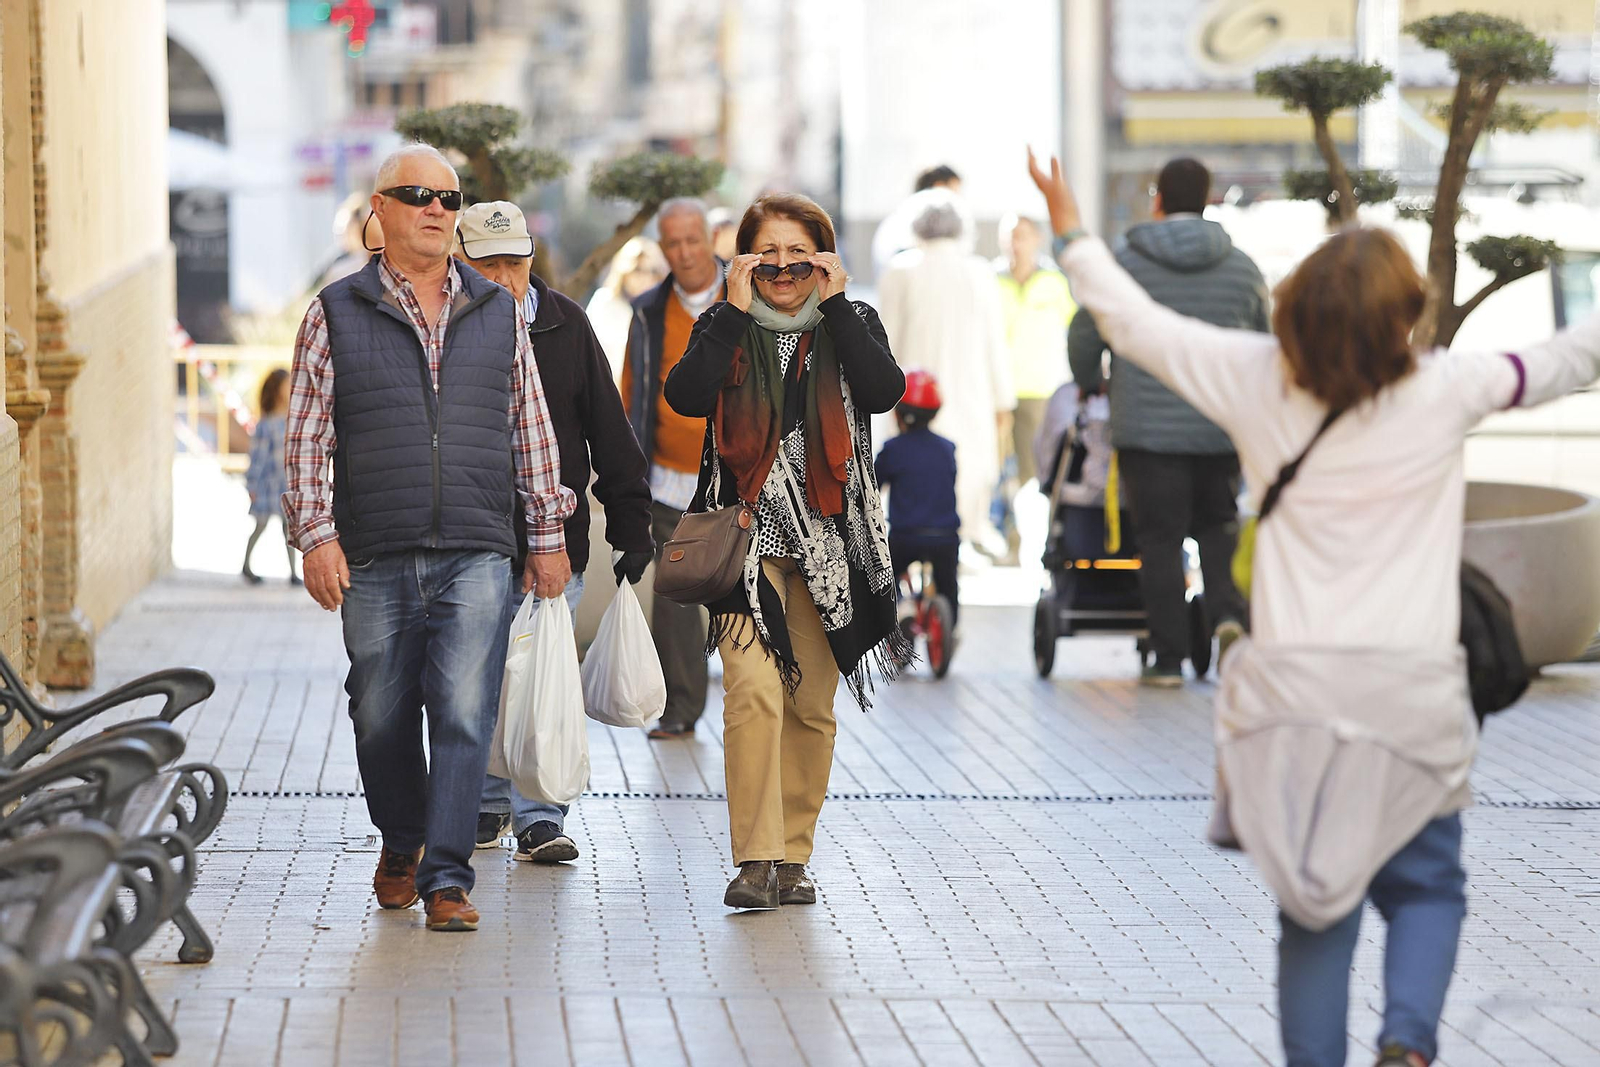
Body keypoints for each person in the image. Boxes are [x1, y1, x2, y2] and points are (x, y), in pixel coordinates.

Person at [1031, 147, 1600, 1067]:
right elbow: (1568, 359)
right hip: (1412, 697)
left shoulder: (1258, 377)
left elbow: (1133, 326)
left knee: (1314, 907)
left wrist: (1069, 225)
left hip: (1291, 704)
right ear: (1402, 315)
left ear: (1296, 308)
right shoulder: (1449, 386)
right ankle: (1407, 1045)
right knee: (1427, 886)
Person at [284, 144, 576, 933]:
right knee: (379, 710)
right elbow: (307, 438)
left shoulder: (496, 308)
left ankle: (447, 876)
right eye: (417, 195)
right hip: (374, 549)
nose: (438, 210)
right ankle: (403, 838)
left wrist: (547, 533)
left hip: (479, 546)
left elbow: (532, 429)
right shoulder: (333, 312)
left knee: (462, 710)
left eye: (449, 197)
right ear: (379, 211)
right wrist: (315, 535)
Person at [663, 193, 907, 910]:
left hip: (831, 544)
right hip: (745, 544)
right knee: (753, 694)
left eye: (798, 252)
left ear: (823, 258)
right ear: (742, 259)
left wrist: (834, 304)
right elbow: (685, 395)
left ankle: (794, 855)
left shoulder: (852, 320)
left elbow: (882, 389)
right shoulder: (724, 323)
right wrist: (732, 310)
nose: (782, 266)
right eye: (766, 252)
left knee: (809, 707)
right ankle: (755, 858)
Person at [453, 201, 655, 865]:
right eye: (490, 265)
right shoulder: (445, 328)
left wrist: (630, 520)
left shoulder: (566, 324)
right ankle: (484, 804)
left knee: (542, 679)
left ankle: (541, 816)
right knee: (476, 684)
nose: (507, 278)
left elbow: (608, 425)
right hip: (469, 543)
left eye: (516, 263)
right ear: (462, 264)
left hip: (551, 547)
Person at [1067, 157, 1265, 687]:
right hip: (1220, 428)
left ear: (1157, 199)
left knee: (1159, 542)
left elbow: (1086, 332)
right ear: (1210, 198)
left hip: (1148, 433)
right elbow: (1264, 345)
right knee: (1219, 532)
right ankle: (1227, 621)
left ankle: (1169, 659)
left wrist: (1092, 380)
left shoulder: (1126, 263)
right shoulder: (1243, 268)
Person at [619, 198, 726, 740]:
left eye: (692, 240)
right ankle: (682, 707)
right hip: (666, 479)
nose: (684, 253)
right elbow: (632, 393)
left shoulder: (746, 298)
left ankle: (755, 705)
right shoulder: (648, 311)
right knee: (676, 598)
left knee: (743, 595)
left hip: (738, 480)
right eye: (673, 243)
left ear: (711, 239)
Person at [878, 190, 1014, 556]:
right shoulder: (980, 272)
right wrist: (1004, 402)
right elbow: (994, 344)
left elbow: (883, 341)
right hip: (972, 394)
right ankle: (960, 541)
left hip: (909, 396)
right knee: (967, 467)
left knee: (909, 467)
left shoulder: (900, 270)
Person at [996, 215, 1075, 489]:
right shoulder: (990, 280)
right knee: (998, 474)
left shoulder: (1054, 281)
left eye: (1022, 236)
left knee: (1032, 474)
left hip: (1039, 391)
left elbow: (1073, 327)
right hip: (998, 391)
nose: (1015, 244)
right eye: (1010, 236)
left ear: (1037, 239)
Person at [876, 370, 960, 626]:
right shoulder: (947, 449)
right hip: (944, 536)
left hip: (905, 536)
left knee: (886, 576)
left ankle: (898, 610)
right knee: (948, 584)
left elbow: (873, 486)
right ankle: (950, 628)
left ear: (898, 413)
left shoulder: (893, 450)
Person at [242, 368, 298, 586]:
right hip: (267, 486)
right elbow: (257, 459)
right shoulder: (266, 425)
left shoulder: (291, 421)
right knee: (261, 524)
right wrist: (252, 485)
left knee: (288, 528)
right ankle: (246, 565)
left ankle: (293, 572)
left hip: (285, 486)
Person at [585, 235, 667, 382]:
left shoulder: (661, 309)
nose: (645, 277)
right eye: (638, 270)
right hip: (608, 386)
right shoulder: (605, 302)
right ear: (624, 270)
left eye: (652, 271)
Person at [871, 164, 964, 280]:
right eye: (955, 191)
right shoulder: (905, 223)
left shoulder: (900, 218)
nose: (958, 199)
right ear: (939, 187)